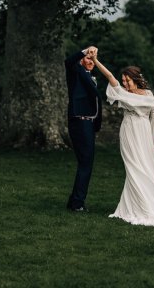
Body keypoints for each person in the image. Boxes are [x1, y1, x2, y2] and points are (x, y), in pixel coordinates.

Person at [92, 55, 154, 226]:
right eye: (123, 80)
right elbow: (110, 76)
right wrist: (95, 61)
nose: (125, 83)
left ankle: (150, 203)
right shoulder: (123, 93)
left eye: (127, 80)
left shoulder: (147, 94)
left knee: (147, 168)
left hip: (144, 133)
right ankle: (137, 206)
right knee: (134, 168)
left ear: (136, 79)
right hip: (129, 132)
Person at [65, 46, 101, 212]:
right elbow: (68, 61)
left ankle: (74, 200)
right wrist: (86, 50)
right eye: (88, 58)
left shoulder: (89, 76)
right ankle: (78, 204)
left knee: (85, 163)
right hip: (80, 122)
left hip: (88, 124)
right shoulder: (76, 73)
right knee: (86, 163)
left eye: (93, 59)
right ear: (81, 60)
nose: (91, 61)